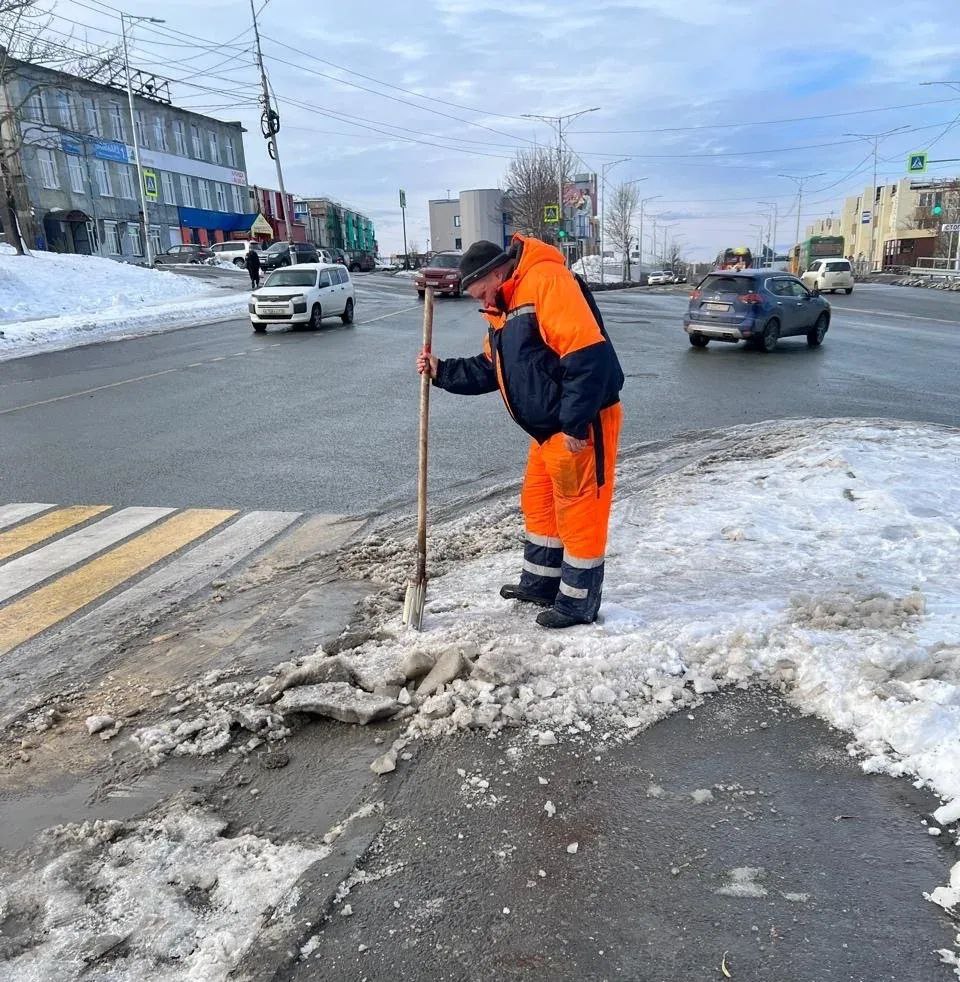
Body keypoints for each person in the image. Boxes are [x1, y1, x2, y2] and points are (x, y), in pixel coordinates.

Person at [416, 235, 624, 629]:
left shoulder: (547, 281)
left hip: (580, 423)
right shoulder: (503, 305)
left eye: (481, 292)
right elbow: (490, 368)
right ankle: (542, 584)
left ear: (497, 273)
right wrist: (441, 371)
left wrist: (575, 423)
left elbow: (587, 354)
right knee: (539, 502)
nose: (481, 302)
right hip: (547, 430)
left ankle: (578, 603)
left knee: (579, 509)